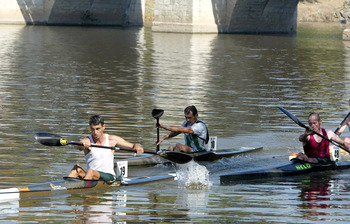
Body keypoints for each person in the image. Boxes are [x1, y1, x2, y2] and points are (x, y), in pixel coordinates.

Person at [68, 115, 144, 181]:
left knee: (90, 171)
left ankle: (84, 190)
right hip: (91, 176)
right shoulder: (87, 140)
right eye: (92, 129)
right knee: (77, 168)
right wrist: (82, 144)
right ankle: (62, 187)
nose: (95, 133)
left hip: (108, 176)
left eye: (98, 129)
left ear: (103, 127)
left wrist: (138, 147)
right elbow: (78, 146)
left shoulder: (112, 140)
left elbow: (133, 146)